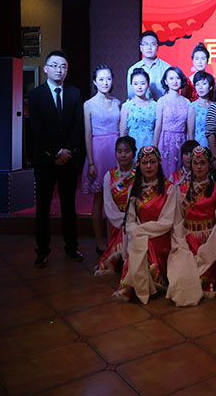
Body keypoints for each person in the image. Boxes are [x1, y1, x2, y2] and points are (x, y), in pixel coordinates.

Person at [29, 50, 84, 268]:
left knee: (69, 205)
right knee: (43, 206)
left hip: (69, 159)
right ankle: (42, 250)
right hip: (45, 160)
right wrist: (55, 152)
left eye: (63, 66)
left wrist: (67, 150)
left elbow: (78, 126)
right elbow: (36, 129)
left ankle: (72, 246)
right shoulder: (36, 95)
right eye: (54, 65)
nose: (59, 70)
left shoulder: (74, 93)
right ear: (46, 69)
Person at [166, 146, 216, 306]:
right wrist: (181, 244)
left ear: (209, 165)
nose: (199, 166)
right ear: (191, 164)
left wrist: (212, 246)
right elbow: (178, 221)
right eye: (195, 163)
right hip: (187, 241)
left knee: (205, 281)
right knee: (181, 277)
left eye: (203, 163)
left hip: (210, 242)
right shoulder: (181, 189)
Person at [114, 146, 176, 304]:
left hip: (160, 236)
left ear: (159, 163)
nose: (148, 166)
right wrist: (136, 232)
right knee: (139, 243)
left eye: (152, 162)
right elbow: (130, 220)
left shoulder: (169, 189)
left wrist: (141, 231)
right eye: (144, 162)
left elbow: (167, 222)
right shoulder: (134, 189)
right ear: (139, 165)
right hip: (140, 234)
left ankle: (133, 286)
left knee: (144, 245)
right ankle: (144, 286)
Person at [81, 65, 121, 254]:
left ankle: (115, 240)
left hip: (116, 151)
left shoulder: (117, 102)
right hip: (98, 151)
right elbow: (87, 134)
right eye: (101, 79)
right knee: (99, 199)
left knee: (116, 198)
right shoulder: (88, 104)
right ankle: (99, 241)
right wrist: (91, 162)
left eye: (108, 79)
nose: (105, 82)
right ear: (95, 82)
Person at [95, 136, 135, 275]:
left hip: (136, 219)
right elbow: (108, 205)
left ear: (134, 153)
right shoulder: (109, 176)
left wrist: (132, 219)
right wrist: (123, 220)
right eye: (119, 151)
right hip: (118, 222)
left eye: (127, 151)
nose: (123, 155)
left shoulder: (140, 174)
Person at [153, 66, 190, 178]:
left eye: (177, 78)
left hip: (181, 141)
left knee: (181, 177)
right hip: (165, 142)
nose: (175, 81)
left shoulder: (187, 102)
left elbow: (188, 129)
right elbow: (158, 127)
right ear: (165, 81)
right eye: (171, 78)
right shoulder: (161, 101)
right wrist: (154, 148)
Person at [127, 31, 170, 101]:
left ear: (157, 47)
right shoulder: (132, 69)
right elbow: (131, 96)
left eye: (153, 44)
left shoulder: (167, 68)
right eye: (146, 44)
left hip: (162, 107)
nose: (149, 47)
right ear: (141, 48)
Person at [120, 68, 156, 153]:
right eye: (135, 84)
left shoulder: (155, 106)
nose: (139, 87)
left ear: (148, 85)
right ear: (131, 85)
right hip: (132, 149)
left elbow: (158, 130)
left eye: (143, 83)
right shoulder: (126, 107)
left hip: (151, 147)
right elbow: (123, 133)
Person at [187, 70, 214, 149]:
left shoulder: (215, 106)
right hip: (198, 146)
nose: (200, 87)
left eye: (204, 84)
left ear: (210, 87)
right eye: (197, 84)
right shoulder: (193, 107)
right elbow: (190, 133)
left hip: (214, 145)